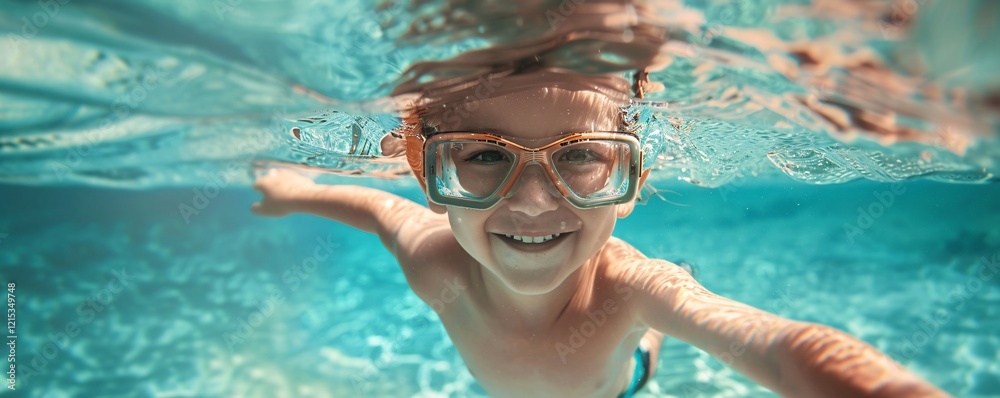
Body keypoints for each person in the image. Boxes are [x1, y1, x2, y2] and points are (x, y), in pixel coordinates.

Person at [251, 68, 947, 397]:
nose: (530, 203)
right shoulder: (435, 262)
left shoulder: (635, 288)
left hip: (623, 380)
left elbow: (777, 347)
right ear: (430, 176)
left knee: (648, 318)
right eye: (484, 155)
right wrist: (295, 193)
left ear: (633, 182)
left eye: (581, 156)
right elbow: (375, 209)